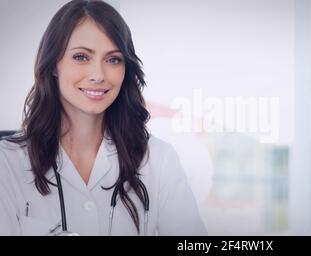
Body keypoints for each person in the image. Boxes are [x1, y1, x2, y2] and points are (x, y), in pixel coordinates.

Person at [0, 0, 207, 236]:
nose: (98, 75)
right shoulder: (7, 163)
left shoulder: (159, 160)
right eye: (81, 57)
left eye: (113, 59)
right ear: (54, 64)